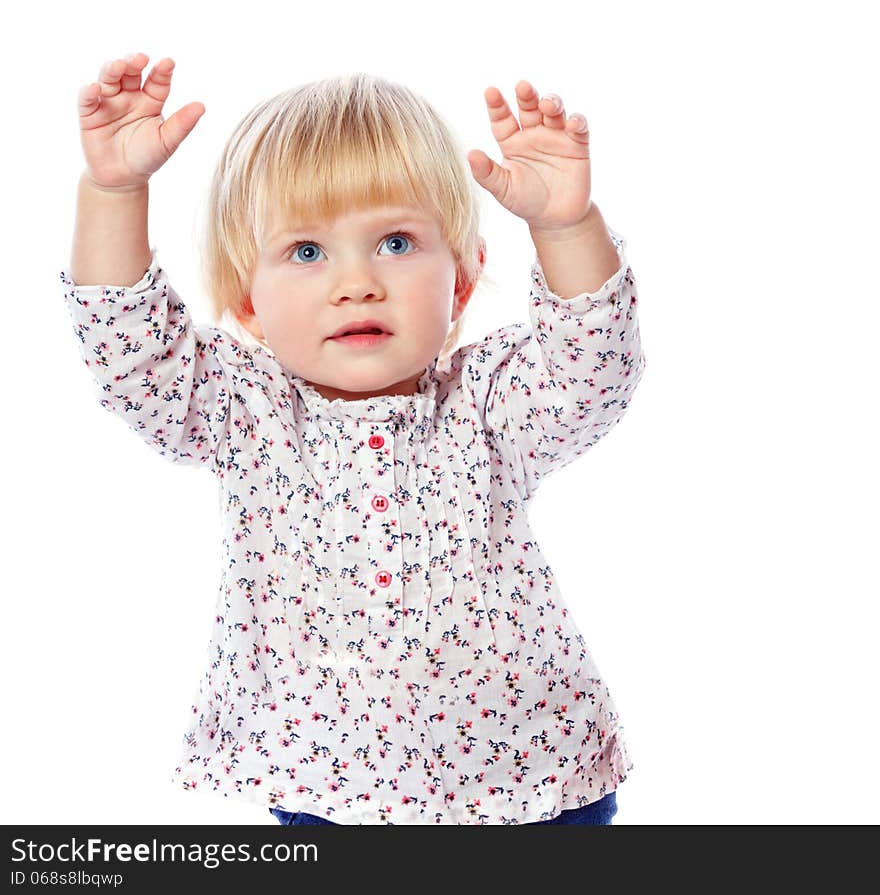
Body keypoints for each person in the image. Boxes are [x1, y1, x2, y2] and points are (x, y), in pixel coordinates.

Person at [62, 52, 646, 826]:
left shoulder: (489, 403)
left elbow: (594, 366)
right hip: (329, 795)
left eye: (396, 242)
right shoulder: (246, 413)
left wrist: (566, 226)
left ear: (462, 280)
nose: (356, 282)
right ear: (246, 301)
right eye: (307, 252)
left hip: (530, 782)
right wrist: (113, 192)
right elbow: (128, 348)